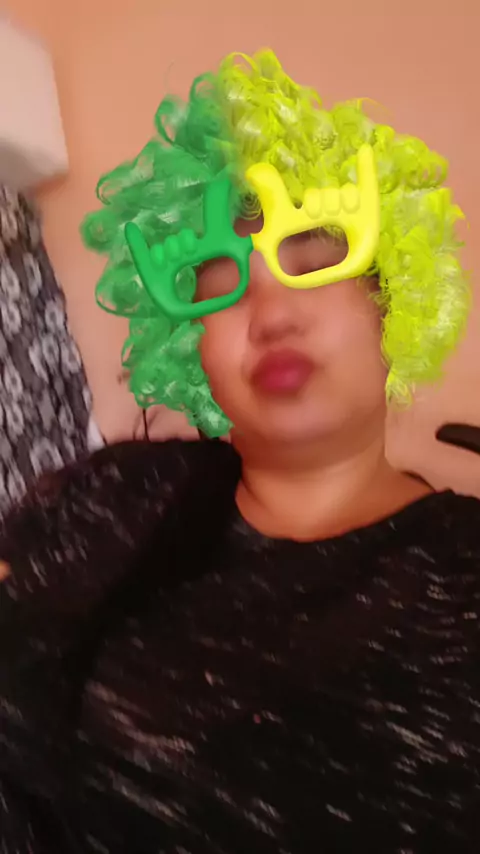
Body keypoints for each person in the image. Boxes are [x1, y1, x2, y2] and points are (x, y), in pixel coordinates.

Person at [0, 49, 477, 854]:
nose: (272, 313)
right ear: (191, 345)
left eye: (316, 263)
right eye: (219, 280)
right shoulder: (107, 490)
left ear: (395, 311)